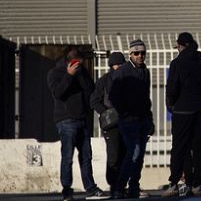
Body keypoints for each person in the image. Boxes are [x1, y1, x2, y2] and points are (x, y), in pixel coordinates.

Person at [47, 46, 109, 201]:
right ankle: (67, 191)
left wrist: (80, 74)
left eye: (80, 62)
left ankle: (91, 189)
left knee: (86, 156)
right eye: (76, 61)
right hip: (66, 120)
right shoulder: (55, 73)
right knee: (67, 157)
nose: (78, 64)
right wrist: (69, 75)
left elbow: (90, 90)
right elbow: (58, 93)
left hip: (82, 119)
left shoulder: (83, 72)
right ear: (69, 60)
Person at [161, 32, 201, 197]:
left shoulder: (177, 63)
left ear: (180, 45)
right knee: (198, 149)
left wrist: (172, 105)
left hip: (182, 111)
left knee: (179, 148)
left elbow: (172, 87)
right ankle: (197, 183)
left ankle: (175, 183)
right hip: (198, 111)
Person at [109, 39, 154, 199]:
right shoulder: (123, 71)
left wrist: (150, 119)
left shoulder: (145, 71)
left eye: (143, 53)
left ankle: (134, 186)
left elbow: (146, 97)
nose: (140, 56)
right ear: (130, 54)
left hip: (142, 118)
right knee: (133, 153)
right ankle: (119, 187)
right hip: (129, 120)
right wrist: (124, 113)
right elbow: (113, 96)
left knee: (140, 155)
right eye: (136, 53)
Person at [90, 52, 126, 197]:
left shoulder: (127, 80)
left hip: (126, 122)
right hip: (111, 125)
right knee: (114, 156)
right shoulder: (104, 80)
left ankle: (122, 186)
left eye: (121, 64)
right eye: (117, 65)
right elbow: (94, 101)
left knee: (125, 155)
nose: (119, 67)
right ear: (111, 66)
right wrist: (107, 114)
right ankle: (114, 186)